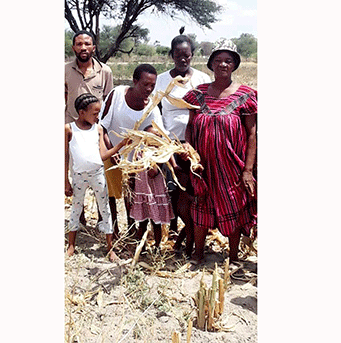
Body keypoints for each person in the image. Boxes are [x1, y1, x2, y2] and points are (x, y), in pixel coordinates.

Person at [183, 38, 257, 265]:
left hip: (231, 166)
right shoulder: (199, 93)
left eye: (228, 61)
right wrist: (187, 146)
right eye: (218, 60)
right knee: (201, 207)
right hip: (202, 165)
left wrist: (247, 170)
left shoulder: (246, 95)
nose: (223, 65)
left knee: (233, 205)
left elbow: (252, 134)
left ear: (234, 65)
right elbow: (190, 126)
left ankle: (233, 257)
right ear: (211, 64)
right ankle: (198, 254)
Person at [153, 29, 211, 239]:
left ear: (192, 55)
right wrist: (161, 140)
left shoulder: (203, 79)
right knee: (172, 186)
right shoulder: (161, 80)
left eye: (186, 55)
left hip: (196, 143)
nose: (183, 59)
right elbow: (153, 110)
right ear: (172, 55)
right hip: (170, 143)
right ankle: (173, 228)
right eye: (178, 55)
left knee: (194, 186)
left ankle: (193, 229)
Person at [100, 64, 168, 235]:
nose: (149, 89)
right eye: (145, 84)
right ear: (135, 81)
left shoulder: (152, 104)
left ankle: (131, 232)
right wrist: (113, 151)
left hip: (136, 160)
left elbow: (158, 133)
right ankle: (113, 231)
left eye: (152, 85)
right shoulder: (116, 95)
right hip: (112, 152)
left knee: (131, 196)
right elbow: (102, 126)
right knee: (111, 195)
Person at [65, 30, 117, 231]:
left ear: (94, 48)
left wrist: (103, 130)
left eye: (87, 44)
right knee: (76, 169)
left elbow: (108, 101)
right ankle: (80, 217)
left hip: (95, 131)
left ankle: (103, 219)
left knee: (98, 173)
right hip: (73, 130)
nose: (83, 48)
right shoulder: (65, 70)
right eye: (79, 44)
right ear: (73, 48)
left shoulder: (105, 71)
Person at [65, 93, 128, 259]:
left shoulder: (98, 129)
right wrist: (65, 181)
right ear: (81, 112)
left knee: (105, 208)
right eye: (94, 113)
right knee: (76, 209)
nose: (97, 117)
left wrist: (120, 145)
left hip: (97, 174)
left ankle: (110, 247)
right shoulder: (69, 129)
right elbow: (64, 156)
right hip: (78, 175)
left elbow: (103, 155)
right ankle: (71, 245)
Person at [130, 126, 175, 249]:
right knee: (143, 222)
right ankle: (141, 246)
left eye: (159, 136)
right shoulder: (139, 153)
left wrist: (154, 157)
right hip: (143, 191)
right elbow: (134, 171)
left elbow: (153, 172)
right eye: (153, 136)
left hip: (155, 192)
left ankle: (157, 246)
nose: (156, 139)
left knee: (156, 223)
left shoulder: (160, 155)